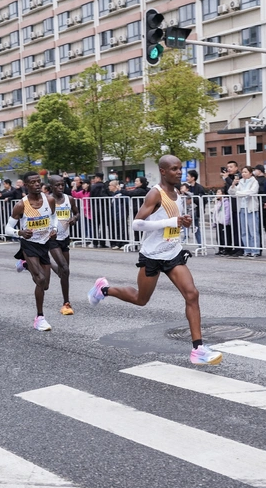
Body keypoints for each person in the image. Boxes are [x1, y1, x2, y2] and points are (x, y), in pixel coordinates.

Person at [87, 155, 223, 366]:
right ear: (163, 171)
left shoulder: (177, 193)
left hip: (173, 253)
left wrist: (183, 222)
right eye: (174, 169)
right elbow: (137, 224)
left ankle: (198, 349)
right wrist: (171, 222)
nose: (179, 172)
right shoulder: (155, 194)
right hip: (152, 255)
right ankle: (103, 290)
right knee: (141, 299)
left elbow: (173, 222)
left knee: (192, 294)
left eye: (180, 168)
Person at [5, 171, 58, 331]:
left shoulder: (49, 200)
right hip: (29, 245)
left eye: (38, 181)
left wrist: (54, 228)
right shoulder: (21, 205)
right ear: (26, 185)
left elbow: (54, 217)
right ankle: (39, 318)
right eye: (33, 182)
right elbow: (7, 228)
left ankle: (25, 264)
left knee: (45, 285)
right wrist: (20, 232)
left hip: (44, 244)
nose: (36, 184)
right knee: (40, 279)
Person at [48, 175, 79, 315]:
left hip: (65, 238)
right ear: (51, 187)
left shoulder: (69, 199)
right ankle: (66, 303)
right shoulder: (47, 200)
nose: (61, 187)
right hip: (52, 239)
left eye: (62, 184)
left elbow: (77, 213)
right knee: (65, 269)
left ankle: (47, 263)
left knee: (64, 272)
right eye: (57, 185)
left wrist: (74, 218)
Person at [230, 165, 261, 256]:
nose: (243, 174)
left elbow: (252, 192)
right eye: (242, 172)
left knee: (253, 230)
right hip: (242, 208)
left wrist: (238, 193)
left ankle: (255, 250)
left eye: (245, 172)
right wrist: (233, 185)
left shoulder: (254, 181)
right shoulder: (240, 182)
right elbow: (232, 193)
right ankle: (247, 250)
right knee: (244, 231)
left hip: (251, 208)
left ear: (250, 173)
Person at [221, 161, 243, 256]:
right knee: (233, 228)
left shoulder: (239, 177)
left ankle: (240, 248)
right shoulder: (229, 177)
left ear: (236, 167)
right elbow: (227, 190)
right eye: (228, 167)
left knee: (238, 228)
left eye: (231, 167)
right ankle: (234, 247)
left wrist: (227, 179)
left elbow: (234, 189)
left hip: (238, 206)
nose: (229, 169)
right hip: (231, 206)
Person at [211, 188, 232, 255]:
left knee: (225, 236)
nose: (217, 194)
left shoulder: (226, 202)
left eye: (218, 192)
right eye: (217, 192)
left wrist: (226, 221)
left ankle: (227, 249)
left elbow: (227, 213)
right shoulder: (218, 202)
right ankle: (221, 248)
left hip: (224, 222)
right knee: (219, 236)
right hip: (218, 221)